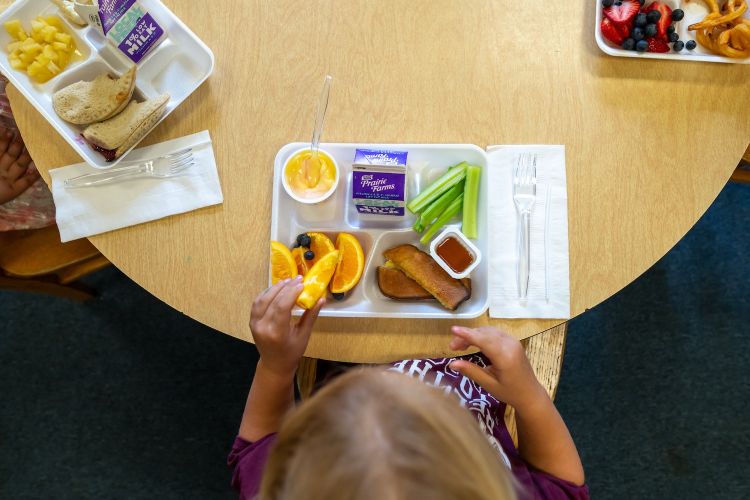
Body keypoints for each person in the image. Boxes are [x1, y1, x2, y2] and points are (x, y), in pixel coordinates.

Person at [228, 277, 588, 499]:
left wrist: (275, 368)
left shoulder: (284, 489)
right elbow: (563, 484)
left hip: (340, 350)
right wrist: (530, 399)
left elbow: (254, 446)